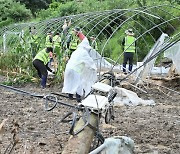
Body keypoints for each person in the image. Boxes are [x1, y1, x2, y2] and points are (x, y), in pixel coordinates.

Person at [62, 37, 97, 102]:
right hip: (76, 70)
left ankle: (70, 96)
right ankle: (78, 98)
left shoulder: (75, 51)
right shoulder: (84, 52)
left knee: (70, 82)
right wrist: (94, 68)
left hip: (68, 68)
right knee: (79, 84)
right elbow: (90, 62)